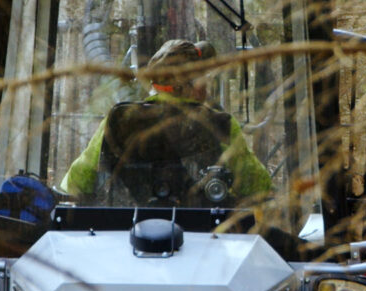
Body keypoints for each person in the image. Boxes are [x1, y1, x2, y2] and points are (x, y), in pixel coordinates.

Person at [61, 38, 272, 203]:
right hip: (204, 237)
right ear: (194, 85)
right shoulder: (220, 124)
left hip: (124, 234)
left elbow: (76, 182)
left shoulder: (120, 119)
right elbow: (257, 185)